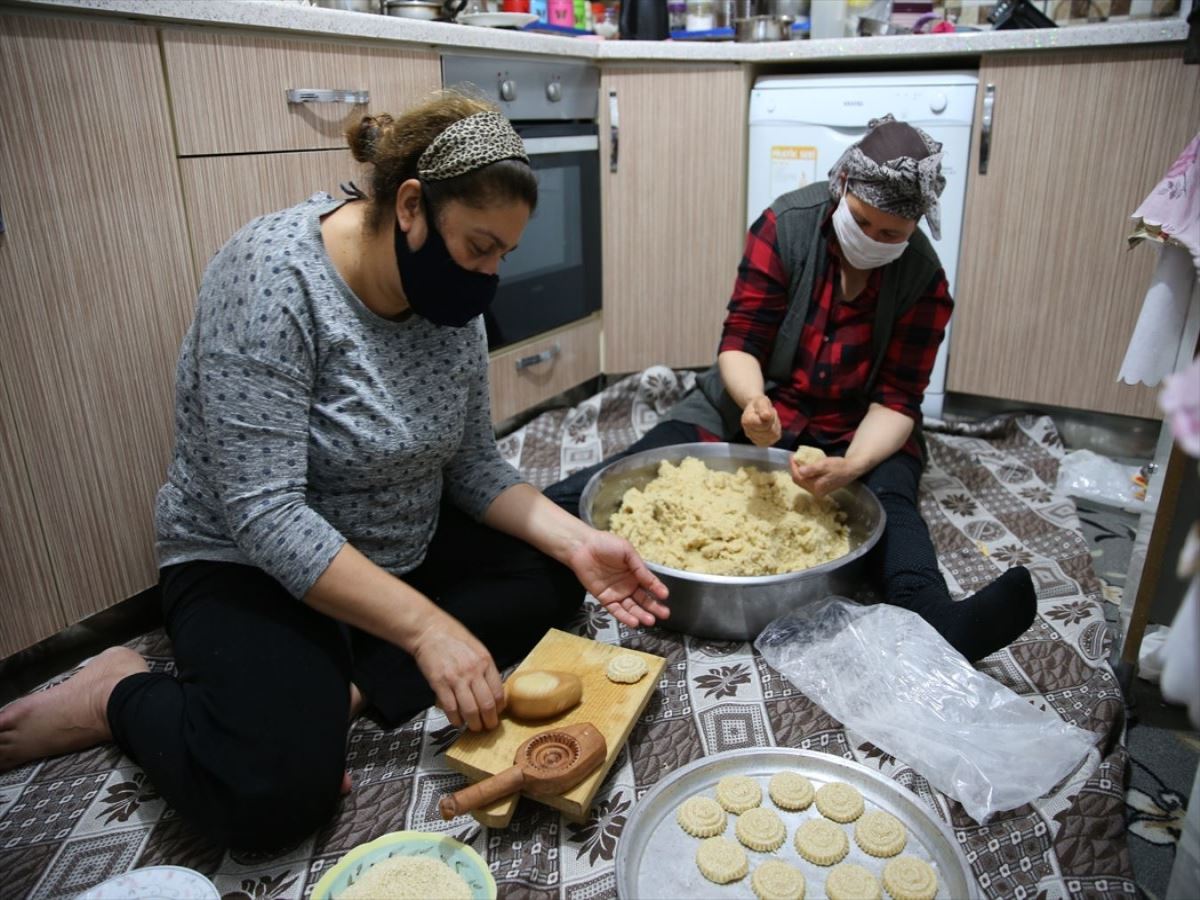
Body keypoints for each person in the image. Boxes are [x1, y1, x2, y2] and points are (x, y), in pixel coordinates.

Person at [0, 92, 668, 848]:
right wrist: (424, 629)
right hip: (248, 559)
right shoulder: (272, 277)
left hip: (397, 536)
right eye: (480, 247)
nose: (490, 275)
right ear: (411, 205)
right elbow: (264, 514)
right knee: (268, 797)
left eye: (504, 255)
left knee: (554, 579)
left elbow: (475, 465)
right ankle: (115, 692)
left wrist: (575, 540)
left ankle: (336, 691)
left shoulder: (452, 306)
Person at [546, 114, 1036, 663]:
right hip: (754, 400)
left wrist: (852, 466)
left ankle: (941, 620)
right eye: (862, 222)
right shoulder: (786, 226)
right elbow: (740, 341)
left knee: (892, 507)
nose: (872, 240)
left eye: (890, 234)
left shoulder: (925, 280)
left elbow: (898, 400)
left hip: (858, 426)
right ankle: (533, 525)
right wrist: (752, 400)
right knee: (647, 461)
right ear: (842, 186)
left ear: (916, 226)